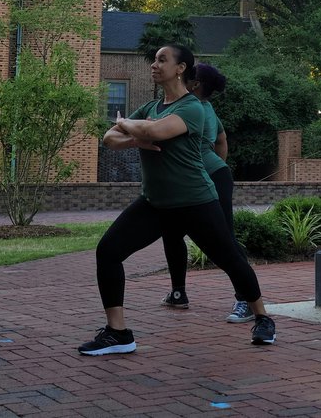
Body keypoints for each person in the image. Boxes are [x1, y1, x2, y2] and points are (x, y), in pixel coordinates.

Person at [77, 43, 276, 355]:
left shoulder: (191, 108)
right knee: (108, 251)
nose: (154, 65)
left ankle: (262, 317)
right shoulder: (151, 107)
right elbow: (109, 137)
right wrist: (135, 138)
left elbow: (155, 131)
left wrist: (129, 125)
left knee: (229, 257)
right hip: (155, 203)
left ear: (181, 68)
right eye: (154, 60)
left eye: (162, 60)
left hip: (196, 201)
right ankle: (118, 333)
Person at [159, 62, 254, 323]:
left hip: (210, 178)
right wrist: (218, 162)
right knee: (172, 232)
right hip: (200, 177)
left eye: (188, 74)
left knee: (225, 240)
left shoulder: (193, 108)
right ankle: (178, 293)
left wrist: (213, 167)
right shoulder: (204, 107)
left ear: (196, 83)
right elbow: (221, 139)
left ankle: (246, 299)